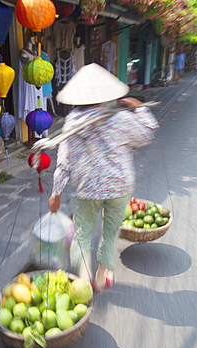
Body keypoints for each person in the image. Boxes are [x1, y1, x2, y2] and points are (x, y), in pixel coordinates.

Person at [48, 63, 159, 292]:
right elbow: (147, 132)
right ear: (106, 95)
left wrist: (56, 195)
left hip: (88, 189)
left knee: (83, 234)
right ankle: (102, 275)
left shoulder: (71, 125)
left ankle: (83, 274)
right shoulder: (120, 118)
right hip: (119, 187)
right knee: (110, 233)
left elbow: (64, 164)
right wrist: (139, 108)